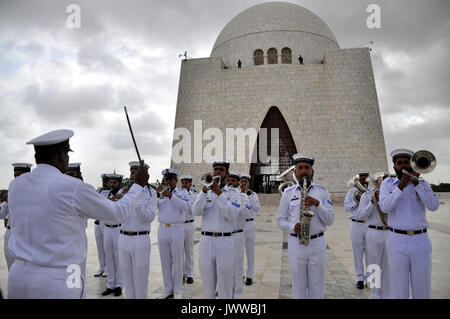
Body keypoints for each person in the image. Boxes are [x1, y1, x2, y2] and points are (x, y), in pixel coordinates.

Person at [7, 129, 149, 299]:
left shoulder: (16, 186)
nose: (67, 159)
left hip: (18, 276)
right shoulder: (72, 187)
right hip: (59, 278)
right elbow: (117, 213)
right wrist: (138, 185)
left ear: (37, 157)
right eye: (67, 153)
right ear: (61, 156)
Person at [380, 149, 439, 299]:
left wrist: (417, 185)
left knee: (422, 286)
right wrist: (401, 187)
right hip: (396, 240)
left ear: (412, 164)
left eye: (406, 162)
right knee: (399, 288)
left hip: (420, 240)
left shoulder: (423, 184)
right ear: (394, 167)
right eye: (399, 163)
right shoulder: (387, 184)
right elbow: (385, 207)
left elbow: (433, 205)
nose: (403, 166)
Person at [277, 154, 334, 299]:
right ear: (295, 172)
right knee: (298, 286)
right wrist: (292, 227)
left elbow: (330, 220)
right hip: (296, 243)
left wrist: (317, 204)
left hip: (317, 243)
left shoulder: (322, 191)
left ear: (312, 171)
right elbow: (280, 220)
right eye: (300, 168)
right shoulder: (288, 193)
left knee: (317, 285)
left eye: (307, 168)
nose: (304, 171)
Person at [192, 159, 241, 299]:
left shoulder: (233, 193)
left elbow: (232, 215)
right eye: (216, 170)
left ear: (227, 173)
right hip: (206, 241)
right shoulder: (206, 192)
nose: (217, 172)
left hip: (225, 241)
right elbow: (195, 211)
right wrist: (203, 192)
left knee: (225, 283)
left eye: (221, 170)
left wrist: (219, 193)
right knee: (207, 284)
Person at [118, 161, 156, 299]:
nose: (133, 176)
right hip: (123, 238)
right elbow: (118, 214)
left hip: (140, 239)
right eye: (132, 173)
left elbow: (150, 217)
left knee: (140, 279)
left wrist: (136, 202)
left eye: (136, 173)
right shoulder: (124, 191)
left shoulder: (151, 193)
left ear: (145, 175)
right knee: (127, 279)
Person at [156, 168, 190, 299]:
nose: (168, 182)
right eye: (166, 179)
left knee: (177, 260)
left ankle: (177, 289)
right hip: (162, 229)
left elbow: (187, 207)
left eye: (170, 179)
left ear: (176, 180)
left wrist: (171, 196)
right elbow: (151, 206)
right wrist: (155, 193)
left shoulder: (182, 192)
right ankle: (167, 288)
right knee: (165, 261)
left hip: (177, 228)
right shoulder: (160, 194)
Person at [356, 173, 390, 298]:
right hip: (373, 232)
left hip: (389, 232)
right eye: (379, 181)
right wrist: (372, 202)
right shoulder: (366, 195)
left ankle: (387, 295)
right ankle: (375, 295)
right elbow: (361, 214)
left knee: (388, 268)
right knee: (374, 267)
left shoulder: (389, 194)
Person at [1, 163, 33, 271]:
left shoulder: (35, 192)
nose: (16, 179)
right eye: (15, 176)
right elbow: (2, 212)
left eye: (19, 176)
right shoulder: (12, 190)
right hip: (10, 235)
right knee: (12, 271)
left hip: (26, 237)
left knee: (28, 271)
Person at [102, 173, 126, 297]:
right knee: (109, 257)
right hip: (107, 228)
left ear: (119, 183)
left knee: (118, 257)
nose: (112, 185)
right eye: (110, 182)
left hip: (117, 228)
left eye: (114, 183)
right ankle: (110, 284)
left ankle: (119, 285)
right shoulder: (104, 194)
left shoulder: (122, 195)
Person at [344, 172, 369, 289]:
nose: (363, 182)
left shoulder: (373, 191)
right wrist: (356, 201)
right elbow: (347, 207)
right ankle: (360, 278)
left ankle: (372, 279)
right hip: (356, 225)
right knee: (357, 253)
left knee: (372, 254)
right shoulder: (351, 192)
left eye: (365, 179)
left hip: (370, 225)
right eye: (361, 180)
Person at [228, 171, 250, 299]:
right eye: (228, 180)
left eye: (233, 181)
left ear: (237, 183)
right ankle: (226, 290)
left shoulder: (243, 197)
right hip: (224, 236)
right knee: (225, 265)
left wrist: (240, 205)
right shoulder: (223, 195)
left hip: (237, 235)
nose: (230, 183)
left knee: (237, 266)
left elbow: (248, 214)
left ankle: (237, 294)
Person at [239, 173, 260, 286]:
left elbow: (257, 209)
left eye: (245, 182)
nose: (243, 183)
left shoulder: (253, 194)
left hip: (250, 224)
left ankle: (250, 276)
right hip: (239, 225)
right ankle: (240, 273)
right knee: (239, 252)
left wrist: (250, 196)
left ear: (248, 183)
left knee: (250, 252)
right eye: (241, 181)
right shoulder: (236, 194)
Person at [180, 175, 196, 284]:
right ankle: (181, 274)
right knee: (179, 251)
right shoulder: (177, 194)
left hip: (189, 224)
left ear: (190, 184)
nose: (184, 184)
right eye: (183, 182)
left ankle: (189, 274)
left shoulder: (195, 195)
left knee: (189, 250)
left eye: (186, 182)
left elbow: (193, 209)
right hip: (179, 225)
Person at [94, 174, 110, 278]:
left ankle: (108, 268)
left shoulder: (112, 193)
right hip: (97, 222)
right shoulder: (99, 191)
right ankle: (102, 266)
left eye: (106, 181)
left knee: (107, 246)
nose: (104, 183)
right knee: (100, 246)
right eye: (103, 181)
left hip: (106, 222)